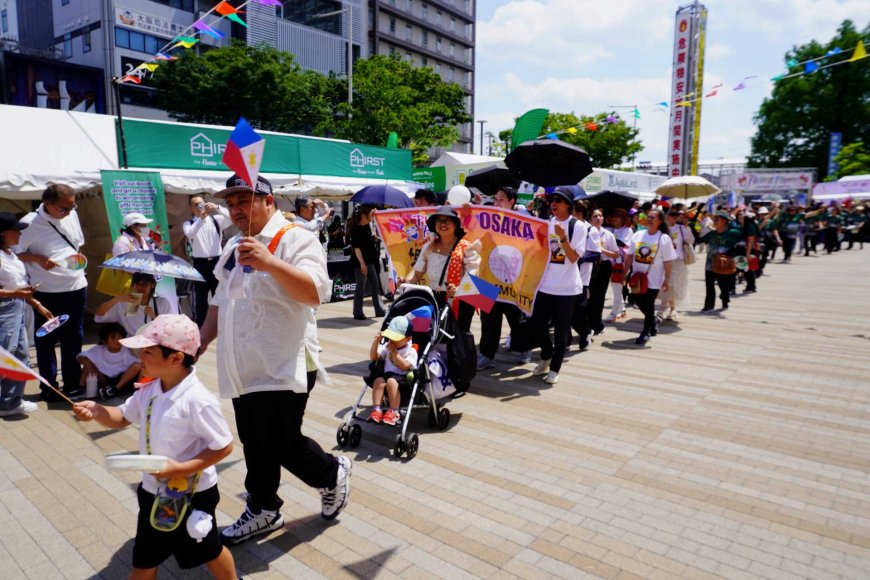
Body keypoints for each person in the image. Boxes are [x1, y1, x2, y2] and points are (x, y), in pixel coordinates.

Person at [199, 174, 351, 546]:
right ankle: (264, 507)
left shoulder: (296, 237)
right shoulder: (234, 244)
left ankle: (332, 473)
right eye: (231, 204)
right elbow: (220, 300)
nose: (236, 210)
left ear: (269, 202)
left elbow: (316, 293)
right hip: (242, 365)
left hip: (285, 363)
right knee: (254, 439)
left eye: (244, 202)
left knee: (283, 442)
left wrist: (270, 263)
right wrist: (199, 343)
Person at [72, 315, 238, 579]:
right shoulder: (150, 389)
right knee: (145, 559)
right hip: (153, 491)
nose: (140, 357)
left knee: (208, 550)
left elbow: (223, 446)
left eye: (147, 352)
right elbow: (123, 417)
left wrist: (181, 468)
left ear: (175, 358)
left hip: (192, 494)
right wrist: (98, 410)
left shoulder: (197, 400)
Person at [15, 184, 87, 401]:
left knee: (73, 338)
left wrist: (78, 261)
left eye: (72, 207)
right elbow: (13, 253)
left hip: (76, 286)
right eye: (64, 209)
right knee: (46, 339)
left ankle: (72, 384)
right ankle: (49, 387)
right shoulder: (29, 223)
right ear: (47, 204)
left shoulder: (71, 215)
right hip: (47, 292)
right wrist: (37, 259)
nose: (68, 212)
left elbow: (76, 245)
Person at [530, 188, 584, 384]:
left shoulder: (577, 226)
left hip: (567, 289)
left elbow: (573, 257)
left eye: (559, 201)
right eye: (552, 200)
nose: (554, 204)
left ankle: (555, 368)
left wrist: (562, 237)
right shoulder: (548, 223)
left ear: (568, 204)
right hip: (546, 285)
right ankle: (546, 354)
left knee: (561, 330)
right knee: (536, 323)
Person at [0, 213, 52, 417]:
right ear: (3, 233)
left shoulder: (11, 254)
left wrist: (36, 303)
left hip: (18, 307)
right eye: (16, 230)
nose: (20, 233)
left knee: (20, 357)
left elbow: (18, 287)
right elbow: (11, 290)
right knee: (4, 357)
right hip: (4, 310)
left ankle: (10, 402)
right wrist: (15, 294)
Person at [400, 206, 481, 332]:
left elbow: (473, 276)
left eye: (447, 220)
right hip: (433, 298)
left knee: (457, 338)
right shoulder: (429, 247)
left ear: (455, 224)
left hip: (459, 301)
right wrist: (405, 281)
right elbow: (417, 274)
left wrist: (458, 289)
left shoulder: (467, 247)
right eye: (439, 220)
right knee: (433, 335)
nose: (443, 224)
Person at [477, 187, 530, 369]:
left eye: (501, 199)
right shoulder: (485, 219)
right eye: (496, 198)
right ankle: (486, 354)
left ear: (511, 202)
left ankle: (524, 348)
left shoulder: (522, 222)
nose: (497, 202)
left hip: (512, 279)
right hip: (486, 277)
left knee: (516, 316)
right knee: (488, 320)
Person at [624, 208, 676, 345]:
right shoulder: (638, 235)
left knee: (648, 303)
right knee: (638, 301)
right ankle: (653, 322)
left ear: (660, 221)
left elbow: (668, 261)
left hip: (653, 279)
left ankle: (646, 332)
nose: (650, 219)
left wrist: (667, 279)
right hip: (637, 278)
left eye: (653, 217)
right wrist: (624, 273)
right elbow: (630, 256)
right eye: (649, 216)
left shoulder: (663, 238)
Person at [183, 196, 231, 327]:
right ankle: (202, 326)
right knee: (200, 298)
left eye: (202, 203)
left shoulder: (216, 220)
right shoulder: (189, 224)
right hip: (200, 264)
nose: (200, 206)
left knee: (220, 294)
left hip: (217, 262)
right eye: (196, 205)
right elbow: (190, 234)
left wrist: (218, 207)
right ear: (191, 208)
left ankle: (221, 323)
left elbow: (231, 218)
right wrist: (201, 218)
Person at [367, 315, 418, 426]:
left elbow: (405, 366)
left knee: (391, 381)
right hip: (387, 375)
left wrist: (394, 352)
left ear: (408, 339)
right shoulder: (387, 346)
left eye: (396, 338)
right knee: (378, 380)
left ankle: (394, 411)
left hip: (402, 378)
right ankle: (377, 409)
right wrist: (376, 343)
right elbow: (374, 358)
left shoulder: (411, 350)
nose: (392, 340)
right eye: (390, 337)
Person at [94, 272, 174, 338]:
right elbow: (98, 314)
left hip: (154, 344)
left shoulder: (162, 303)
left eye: (144, 284)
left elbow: (170, 329)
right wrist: (116, 299)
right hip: (131, 346)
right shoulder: (125, 303)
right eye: (136, 284)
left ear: (152, 285)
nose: (139, 288)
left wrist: (154, 316)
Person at [77, 322, 141, 399]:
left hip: (121, 380)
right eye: (113, 337)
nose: (117, 340)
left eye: (119, 336)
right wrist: (88, 365)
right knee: (87, 362)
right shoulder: (99, 349)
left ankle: (114, 389)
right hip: (103, 379)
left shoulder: (126, 350)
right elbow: (80, 356)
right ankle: (81, 388)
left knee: (136, 366)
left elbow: (137, 365)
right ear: (104, 341)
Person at [698, 210, 743, 311]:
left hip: (724, 263)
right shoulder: (711, 234)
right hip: (710, 263)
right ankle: (708, 305)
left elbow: (746, 234)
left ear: (724, 221)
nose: (715, 221)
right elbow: (698, 240)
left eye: (717, 219)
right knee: (709, 284)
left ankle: (725, 299)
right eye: (714, 219)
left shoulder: (732, 233)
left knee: (723, 285)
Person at [348, 204, 386, 321]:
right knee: (361, 286)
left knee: (375, 284)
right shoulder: (355, 228)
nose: (371, 217)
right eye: (369, 215)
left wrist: (373, 238)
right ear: (363, 215)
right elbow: (357, 248)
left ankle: (379, 309)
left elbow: (367, 239)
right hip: (360, 262)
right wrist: (362, 264)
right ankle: (358, 312)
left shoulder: (366, 226)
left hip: (369, 260)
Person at [658, 207, 694, 320]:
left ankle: (667, 308)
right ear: (666, 215)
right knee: (667, 284)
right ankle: (670, 308)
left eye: (676, 214)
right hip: (664, 260)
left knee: (674, 285)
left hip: (678, 260)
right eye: (672, 214)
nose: (674, 216)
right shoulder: (661, 228)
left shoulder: (682, 228)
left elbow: (691, 241)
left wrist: (687, 227)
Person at [587, 208, 618, 335]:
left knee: (599, 297)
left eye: (600, 216)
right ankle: (587, 324)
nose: (598, 218)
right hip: (589, 265)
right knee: (588, 296)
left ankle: (597, 324)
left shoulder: (608, 234)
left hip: (603, 266)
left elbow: (616, 254)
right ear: (589, 219)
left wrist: (602, 250)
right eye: (595, 216)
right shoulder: (586, 232)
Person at [605, 208, 633, 323]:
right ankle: (622, 310)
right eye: (612, 216)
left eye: (618, 216)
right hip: (609, 261)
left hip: (620, 263)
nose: (614, 219)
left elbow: (622, 243)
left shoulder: (627, 230)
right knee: (615, 287)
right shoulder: (608, 229)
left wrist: (607, 240)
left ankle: (614, 312)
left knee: (617, 287)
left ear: (624, 219)